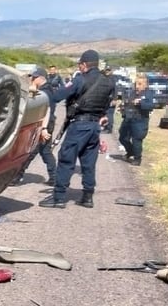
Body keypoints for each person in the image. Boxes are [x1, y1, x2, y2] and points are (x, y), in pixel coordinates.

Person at [39, 49, 116, 209]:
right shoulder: (108, 81)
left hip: (79, 125)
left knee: (66, 158)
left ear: (84, 64)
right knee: (89, 162)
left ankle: (58, 198)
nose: (79, 68)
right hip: (95, 127)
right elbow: (109, 103)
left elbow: (58, 95)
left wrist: (44, 89)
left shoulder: (80, 80)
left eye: (80, 65)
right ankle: (88, 197)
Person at [14, 68, 57, 185]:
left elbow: (48, 111)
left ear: (40, 78)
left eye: (34, 77)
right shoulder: (46, 89)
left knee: (31, 150)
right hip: (46, 123)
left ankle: (17, 176)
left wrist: (44, 129)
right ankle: (54, 177)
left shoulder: (46, 92)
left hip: (45, 124)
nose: (32, 79)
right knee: (45, 151)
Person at [118, 75, 155, 166]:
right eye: (136, 84)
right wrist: (122, 107)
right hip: (128, 118)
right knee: (122, 137)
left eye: (139, 84)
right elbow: (127, 103)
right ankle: (130, 151)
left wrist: (140, 102)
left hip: (140, 120)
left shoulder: (148, 94)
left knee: (136, 140)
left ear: (145, 85)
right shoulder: (132, 92)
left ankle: (137, 158)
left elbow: (150, 106)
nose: (137, 86)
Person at [101, 66, 116, 133]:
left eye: (108, 70)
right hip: (105, 99)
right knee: (106, 113)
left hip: (111, 99)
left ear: (111, 71)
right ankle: (105, 127)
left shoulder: (112, 79)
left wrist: (114, 99)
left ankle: (109, 129)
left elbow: (116, 90)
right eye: (106, 70)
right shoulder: (105, 78)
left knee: (109, 114)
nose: (107, 71)